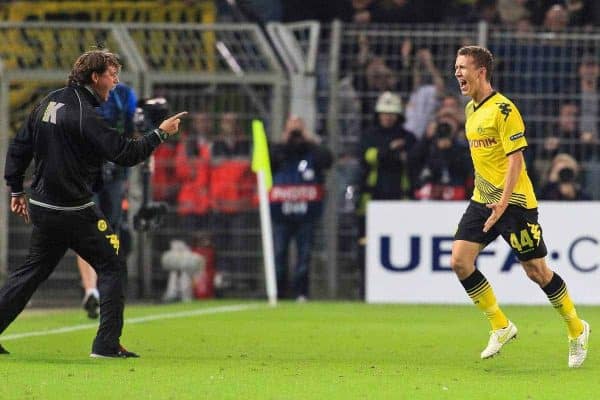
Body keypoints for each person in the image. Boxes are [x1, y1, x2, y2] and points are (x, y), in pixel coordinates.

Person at [2, 49, 186, 358]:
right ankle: (106, 344)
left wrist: (15, 190)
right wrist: (160, 134)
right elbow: (126, 154)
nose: (115, 83)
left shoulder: (48, 102)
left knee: (32, 272)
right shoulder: (86, 115)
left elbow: (20, 146)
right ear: (95, 77)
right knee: (112, 264)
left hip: (44, 207)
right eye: (112, 75)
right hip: (74, 210)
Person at [451, 45, 589, 368]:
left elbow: (516, 159)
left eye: (462, 67)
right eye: (455, 67)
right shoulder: (471, 111)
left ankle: (576, 328)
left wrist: (502, 202)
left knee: (537, 272)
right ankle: (500, 325)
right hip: (483, 200)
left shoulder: (504, 110)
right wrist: (489, 200)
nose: (457, 73)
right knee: (460, 261)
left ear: (481, 71)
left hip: (514, 204)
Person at [77, 81, 138, 320]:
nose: (113, 76)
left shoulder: (124, 94)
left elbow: (133, 130)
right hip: (86, 172)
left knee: (109, 230)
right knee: (87, 229)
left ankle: (100, 288)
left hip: (115, 172)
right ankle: (92, 289)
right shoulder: (80, 94)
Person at [269, 115, 333, 301]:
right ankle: (279, 292)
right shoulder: (279, 151)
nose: (296, 134)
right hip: (282, 212)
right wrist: (285, 140)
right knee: (279, 253)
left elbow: (327, 160)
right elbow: (267, 162)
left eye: (298, 128)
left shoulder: (312, 151)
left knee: (304, 256)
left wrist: (309, 139)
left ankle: (301, 292)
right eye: (292, 128)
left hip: (307, 212)